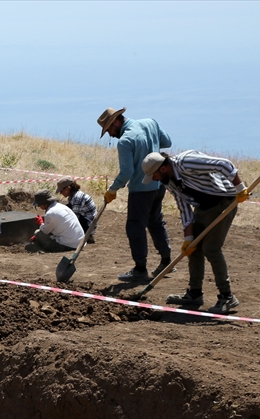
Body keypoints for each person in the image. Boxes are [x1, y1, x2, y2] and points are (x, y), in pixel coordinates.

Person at [142, 151, 249, 314]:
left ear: (163, 169)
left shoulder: (186, 162)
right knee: (194, 247)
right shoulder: (168, 182)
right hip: (203, 206)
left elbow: (224, 164)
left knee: (211, 248)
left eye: (154, 175)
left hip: (224, 201)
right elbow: (184, 208)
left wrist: (240, 188)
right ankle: (194, 293)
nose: (154, 179)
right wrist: (188, 238)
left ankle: (227, 297)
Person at [97, 107, 173, 282]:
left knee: (135, 228)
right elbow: (167, 142)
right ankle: (167, 260)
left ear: (116, 121)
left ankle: (140, 269)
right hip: (159, 184)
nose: (109, 134)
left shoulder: (125, 141)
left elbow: (126, 173)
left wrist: (112, 189)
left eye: (109, 129)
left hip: (140, 191)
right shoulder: (150, 123)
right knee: (155, 222)